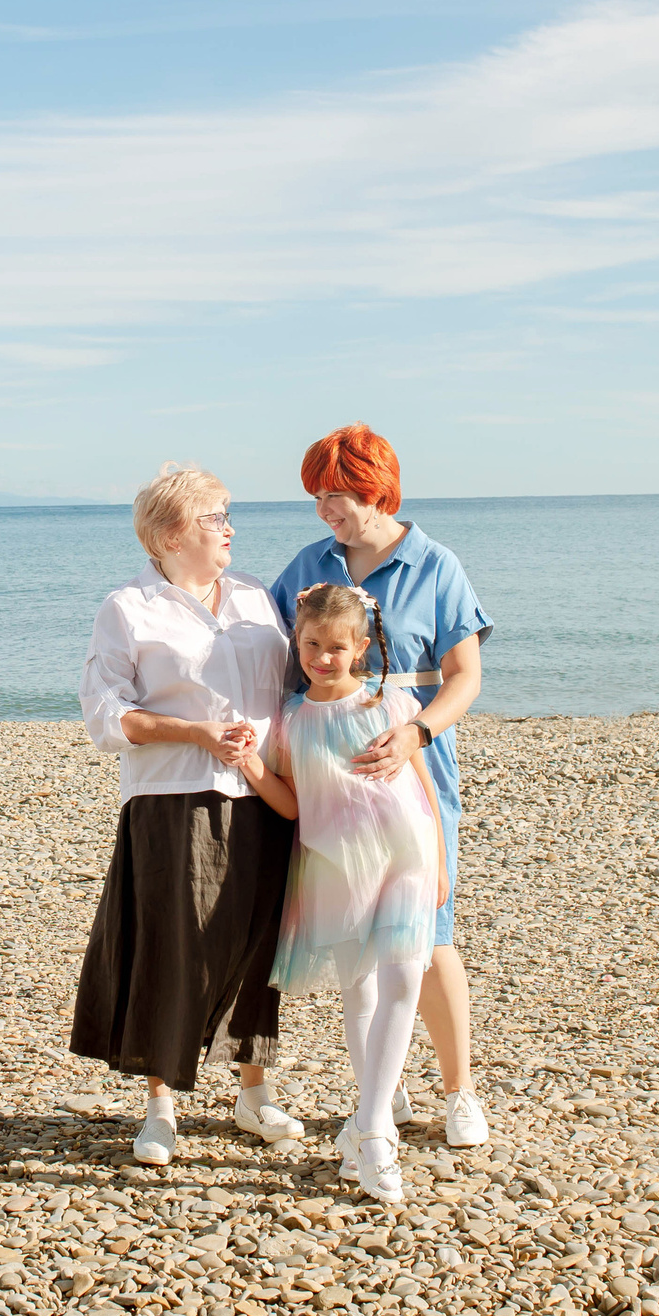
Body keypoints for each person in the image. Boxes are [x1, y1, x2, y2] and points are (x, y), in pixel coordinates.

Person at [71, 464, 307, 1166]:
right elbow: (105, 715)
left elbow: (296, 688)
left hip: (263, 794)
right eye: (214, 517)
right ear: (172, 534)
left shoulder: (257, 597)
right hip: (172, 797)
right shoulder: (128, 607)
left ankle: (254, 1092)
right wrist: (196, 733)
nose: (229, 528)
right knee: (172, 947)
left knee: (259, 945)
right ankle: (161, 1106)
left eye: (228, 515)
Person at [269, 423, 494, 1149]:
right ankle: (381, 1093)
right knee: (357, 941)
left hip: (411, 768)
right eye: (317, 497)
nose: (324, 510)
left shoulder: (435, 564)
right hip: (327, 780)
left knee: (429, 932)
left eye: (335, 495)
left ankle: (459, 1090)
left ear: (376, 490)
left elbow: (465, 676)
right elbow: (273, 656)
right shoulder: (309, 565)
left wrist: (416, 732)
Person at [259, 582, 445, 1205]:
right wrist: (251, 767)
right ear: (297, 642)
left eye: (337, 647)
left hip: (407, 853)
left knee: (404, 980)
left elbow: (423, 785)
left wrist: (440, 861)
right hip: (335, 865)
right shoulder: (289, 718)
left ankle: (373, 1132)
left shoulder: (389, 703)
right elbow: (291, 803)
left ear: (361, 648)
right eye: (312, 645)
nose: (323, 658)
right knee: (359, 990)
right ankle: (369, 1122)